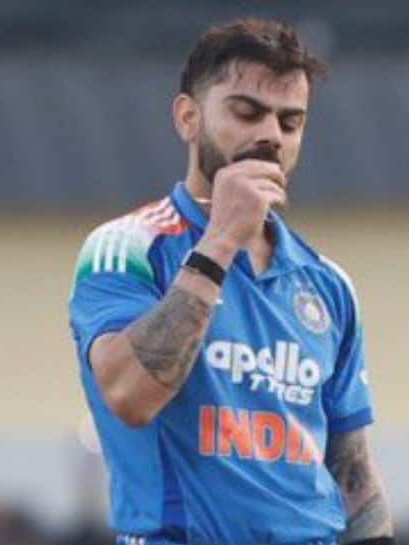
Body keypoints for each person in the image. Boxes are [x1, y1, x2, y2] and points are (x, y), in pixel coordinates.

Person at [68, 18, 392, 545]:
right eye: (246, 112)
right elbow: (129, 395)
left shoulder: (328, 284)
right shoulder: (129, 246)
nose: (270, 136)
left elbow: (351, 466)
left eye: (290, 122)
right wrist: (220, 239)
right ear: (188, 117)